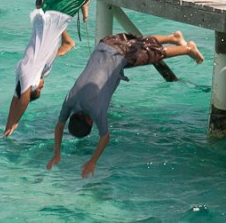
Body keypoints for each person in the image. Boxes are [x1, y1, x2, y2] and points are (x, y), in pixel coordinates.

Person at [2, 0, 137, 138]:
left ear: (35, 87)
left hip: (55, 14)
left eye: (41, 88)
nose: (44, 84)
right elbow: (16, 97)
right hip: (50, 13)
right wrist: (8, 124)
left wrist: (15, 123)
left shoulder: (29, 73)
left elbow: (23, 99)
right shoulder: (26, 74)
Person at [46, 31, 205, 179]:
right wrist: (56, 152)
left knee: (154, 54)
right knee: (142, 43)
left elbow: (105, 137)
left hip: (120, 54)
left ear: (89, 122)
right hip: (105, 44)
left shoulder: (96, 111)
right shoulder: (69, 100)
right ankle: (173, 37)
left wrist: (93, 161)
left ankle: (188, 49)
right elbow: (59, 125)